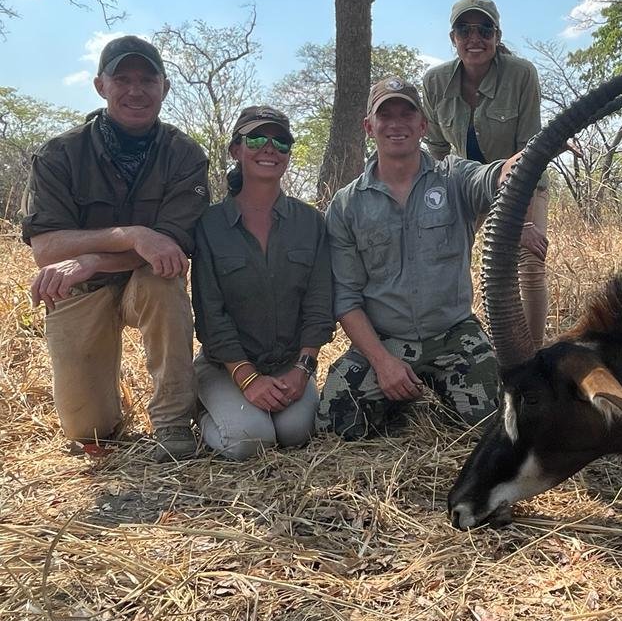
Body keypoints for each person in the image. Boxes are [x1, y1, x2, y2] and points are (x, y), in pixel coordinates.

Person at [21, 35, 209, 461]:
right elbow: (46, 248)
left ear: (165, 87)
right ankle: (105, 408)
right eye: (122, 78)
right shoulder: (59, 154)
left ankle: (174, 422)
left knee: (164, 282)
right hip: (83, 290)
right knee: (89, 428)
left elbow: (172, 248)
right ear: (100, 85)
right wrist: (133, 235)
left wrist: (92, 257)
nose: (136, 90)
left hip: (143, 279)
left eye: (148, 79)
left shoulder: (184, 155)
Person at [318, 77, 520, 440]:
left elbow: (492, 177)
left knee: (494, 428)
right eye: (386, 115)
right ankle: (400, 396)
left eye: (407, 114)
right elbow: (346, 298)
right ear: (369, 127)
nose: (397, 124)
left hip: (453, 335)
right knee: (333, 420)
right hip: (386, 340)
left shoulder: (454, 176)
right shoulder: (347, 204)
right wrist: (381, 362)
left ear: (423, 125)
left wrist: (521, 163)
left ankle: (434, 393)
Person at [191, 106, 335, 460]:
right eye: (256, 138)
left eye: (280, 142)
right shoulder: (209, 225)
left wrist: (303, 369)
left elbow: (319, 305)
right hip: (226, 367)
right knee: (250, 441)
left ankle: (257, 409)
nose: (269, 148)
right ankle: (203, 408)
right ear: (236, 150)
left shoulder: (311, 222)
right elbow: (211, 315)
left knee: (295, 432)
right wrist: (247, 379)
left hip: (289, 366)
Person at [421, 0, 550, 349]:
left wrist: (521, 224)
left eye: (484, 29)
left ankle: (535, 353)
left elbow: (531, 151)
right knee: (447, 257)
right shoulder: (434, 82)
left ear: (497, 35)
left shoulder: (522, 74)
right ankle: (455, 344)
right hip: (468, 184)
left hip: (522, 181)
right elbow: (436, 149)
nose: (474, 38)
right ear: (452, 38)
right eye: (464, 29)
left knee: (529, 260)